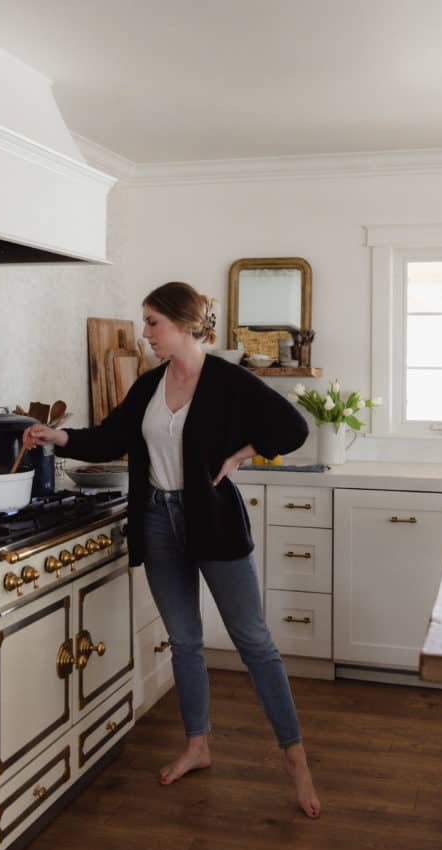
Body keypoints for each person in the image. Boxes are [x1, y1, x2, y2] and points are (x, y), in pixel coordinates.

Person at [23, 282, 321, 819]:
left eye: (153, 322)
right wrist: (57, 438)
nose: (145, 333)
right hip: (157, 519)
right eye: (145, 322)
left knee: (253, 642)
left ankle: (295, 759)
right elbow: (109, 437)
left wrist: (246, 453)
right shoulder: (149, 384)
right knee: (184, 640)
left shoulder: (230, 380)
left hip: (213, 520)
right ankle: (197, 744)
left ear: (184, 325)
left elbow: (294, 427)